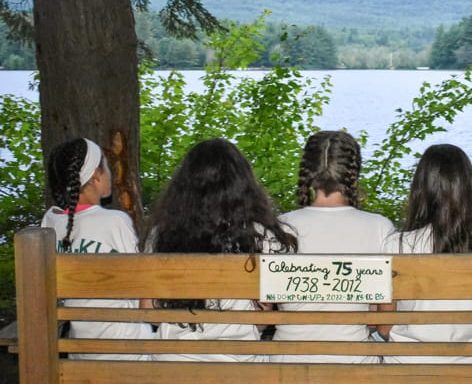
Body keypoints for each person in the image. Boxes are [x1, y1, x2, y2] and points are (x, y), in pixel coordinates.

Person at [146, 138, 297, 362]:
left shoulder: (162, 235)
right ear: (243, 186)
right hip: (239, 367)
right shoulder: (266, 237)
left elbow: (150, 313)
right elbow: (261, 320)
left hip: (173, 363)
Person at [271, 131, 395, 364]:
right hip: (353, 363)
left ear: (306, 174)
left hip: (287, 361)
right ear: (354, 174)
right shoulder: (379, 227)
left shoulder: (281, 228)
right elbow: (381, 317)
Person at [378, 144, 472, 364]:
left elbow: (384, 327)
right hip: (466, 369)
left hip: (406, 367)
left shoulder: (397, 245)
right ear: (469, 189)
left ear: (420, 190)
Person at [42, 137, 154, 360]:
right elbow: (142, 292)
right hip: (128, 351)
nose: (111, 173)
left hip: (79, 352)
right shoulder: (114, 221)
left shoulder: (50, 222)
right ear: (95, 176)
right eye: (106, 166)